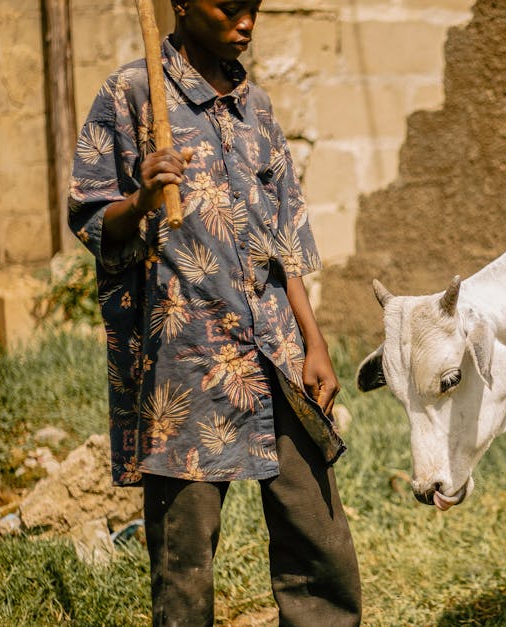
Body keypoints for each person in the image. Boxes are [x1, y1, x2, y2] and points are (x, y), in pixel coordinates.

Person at [68, 0, 362, 624]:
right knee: (184, 561)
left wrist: (314, 343)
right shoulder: (129, 95)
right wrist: (143, 198)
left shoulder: (257, 108)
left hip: (276, 352)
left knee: (320, 543)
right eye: (229, 8)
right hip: (186, 365)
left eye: (253, 8)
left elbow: (287, 240)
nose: (246, 23)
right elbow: (93, 222)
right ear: (180, 4)